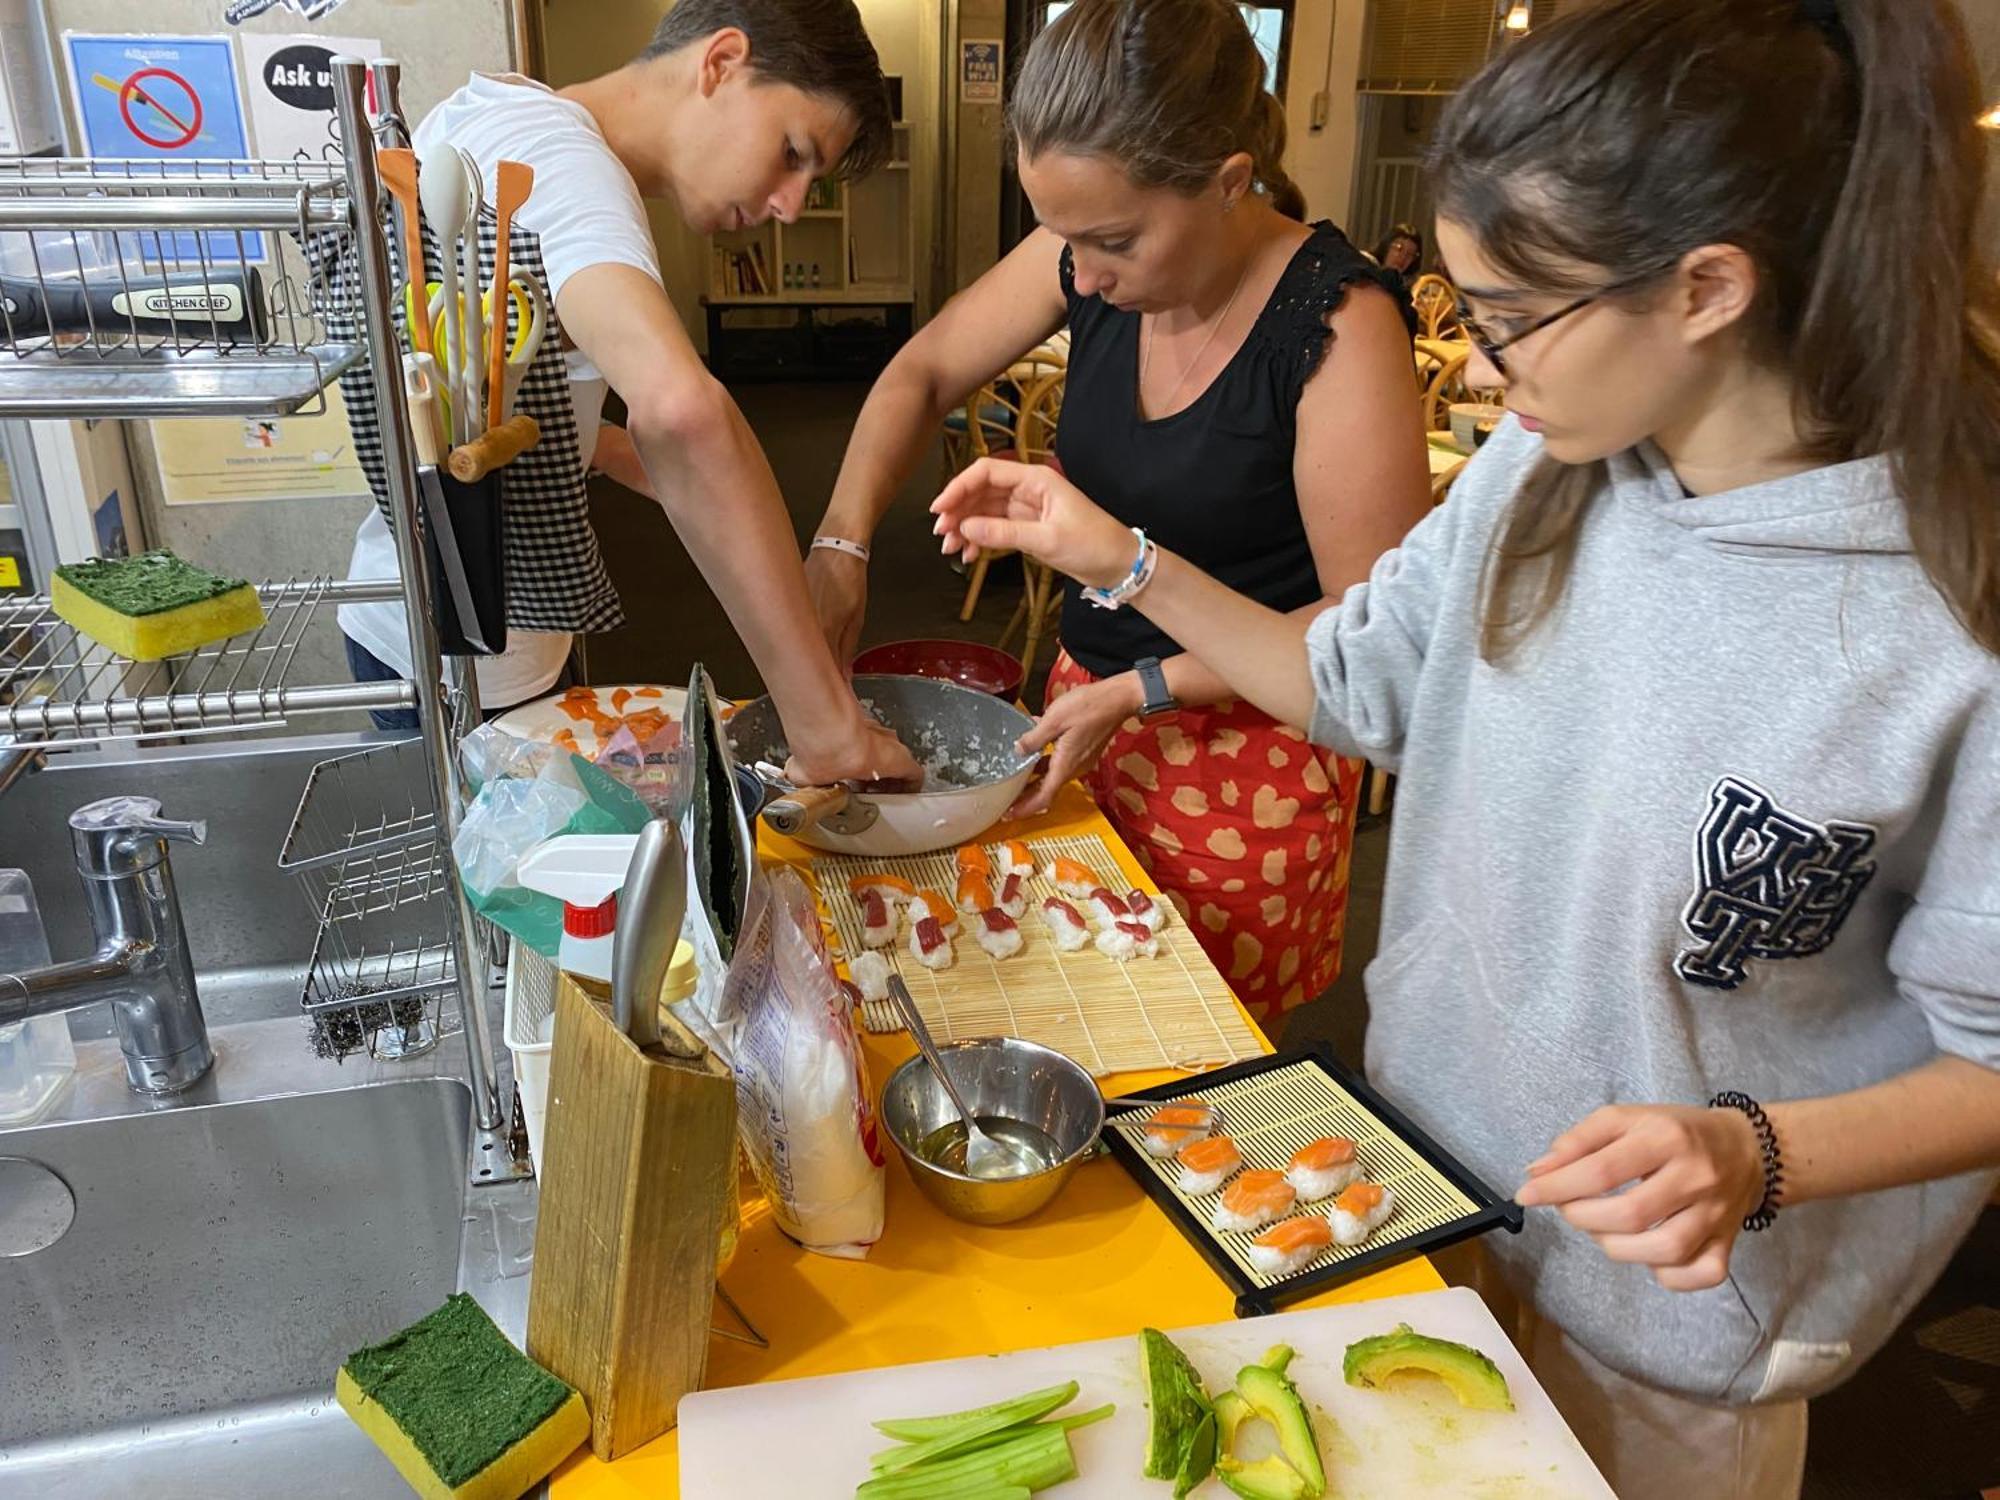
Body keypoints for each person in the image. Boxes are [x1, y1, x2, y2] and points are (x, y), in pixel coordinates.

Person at [929, 1, 2000, 1495]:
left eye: (1507, 321)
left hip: (1668, 1317)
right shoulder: (1543, 471)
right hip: (1415, 1179)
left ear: (1707, 287)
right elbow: (1351, 681)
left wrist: (1757, 1153)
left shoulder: (1944, 615)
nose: (1480, 376)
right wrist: (1116, 557)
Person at [808, 0, 1431, 1021]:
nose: (1082, 276)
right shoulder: (1084, 259)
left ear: (1228, 182)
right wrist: (840, 542)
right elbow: (919, 373)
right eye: (1059, 237)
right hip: (1083, 714)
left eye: (1112, 242)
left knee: (1179, 1058)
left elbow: (1366, 634)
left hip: (1245, 768)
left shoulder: (1338, 328)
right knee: (1053, 1001)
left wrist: (1146, 684)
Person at [336, 0, 917, 785]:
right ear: (720, 63)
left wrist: (761, 541)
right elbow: (679, 415)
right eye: (792, 153)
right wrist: (825, 722)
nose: (790, 205)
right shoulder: (569, 168)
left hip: (411, 627)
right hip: (468, 667)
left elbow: (530, 416)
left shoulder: (495, 114)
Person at [1370, 221, 1425, 291]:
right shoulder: (1364, 268)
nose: (1403, 257)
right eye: (1399, 248)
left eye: (1410, 253)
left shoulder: (1410, 289)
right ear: (1386, 245)